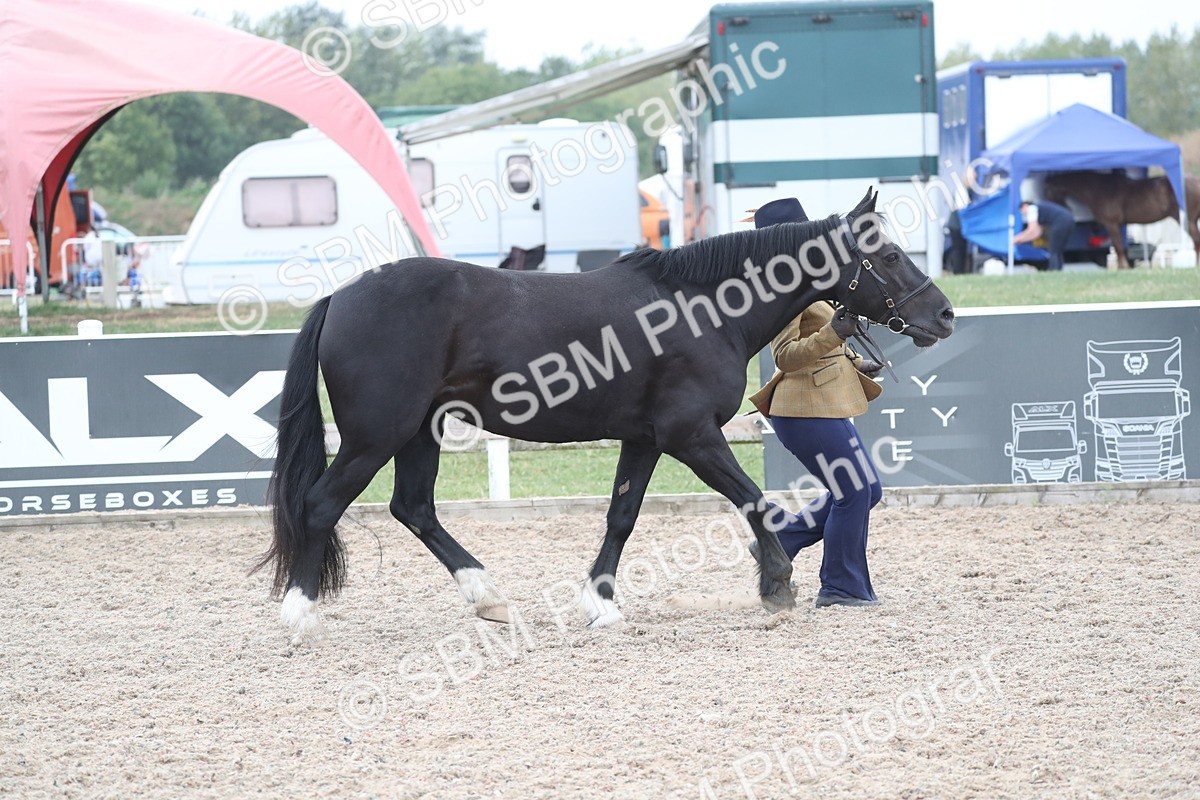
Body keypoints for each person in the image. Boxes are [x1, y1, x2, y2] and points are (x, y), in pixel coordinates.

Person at [745, 197, 886, 608]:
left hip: (823, 404)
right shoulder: (782, 287)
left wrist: (857, 360)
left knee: (867, 490)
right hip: (801, 409)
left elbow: (824, 346)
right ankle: (840, 587)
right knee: (854, 491)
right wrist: (835, 334)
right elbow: (785, 355)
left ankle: (782, 541)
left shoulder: (810, 281)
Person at [1013, 199, 1074, 271]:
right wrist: (1021, 240)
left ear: (1025, 206)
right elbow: (1037, 233)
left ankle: (1054, 270)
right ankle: (1058, 270)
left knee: (1053, 249)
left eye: (1021, 210)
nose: (1023, 213)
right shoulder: (1039, 210)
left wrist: (1017, 238)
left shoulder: (1031, 209)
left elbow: (1031, 229)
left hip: (1059, 222)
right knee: (1057, 250)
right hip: (1069, 220)